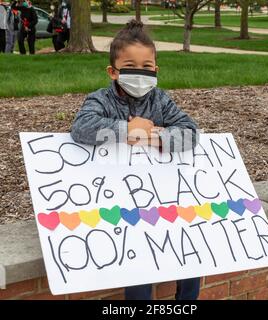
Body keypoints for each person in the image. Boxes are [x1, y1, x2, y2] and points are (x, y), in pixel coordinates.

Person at [70, 19, 200, 300]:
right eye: (130, 67)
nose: (139, 74)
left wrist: (156, 136)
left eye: (146, 67)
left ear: (156, 70)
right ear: (113, 72)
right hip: (118, 197)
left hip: (163, 193)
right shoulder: (100, 99)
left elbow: (190, 132)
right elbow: (81, 127)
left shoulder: (160, 100)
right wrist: (126, 130)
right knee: (140, 264)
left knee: (191, 257)